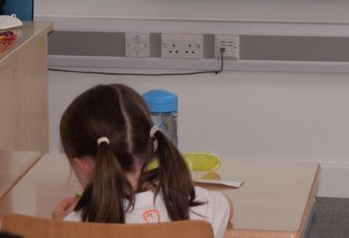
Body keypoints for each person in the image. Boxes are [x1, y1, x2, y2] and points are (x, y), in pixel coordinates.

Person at [52, 84, 232, 237]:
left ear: (83, 167)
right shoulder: (193, 205)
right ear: (150, 146)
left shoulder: (76, 226)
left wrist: (60, 227)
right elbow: (227, 206)